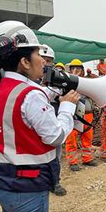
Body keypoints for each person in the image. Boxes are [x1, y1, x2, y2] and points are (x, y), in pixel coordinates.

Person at [0, 21, 80, 212]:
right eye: (38, 54)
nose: (43, 60)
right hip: (26, 186)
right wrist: (67, 108)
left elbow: (19, 109)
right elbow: (55, 136)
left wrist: (48, 94)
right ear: (24, 61)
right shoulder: (30, 95)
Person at [39, 45, 67, 197]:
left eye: (49, 60)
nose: (45, 63)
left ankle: (55, 182)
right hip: (37, 124)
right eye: (43, 59)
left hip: (54, 120)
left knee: (55, 155)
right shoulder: (31, 82)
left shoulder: (57, 80)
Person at [64, 59, 98, 171]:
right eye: (73, 68)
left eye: (78, 68)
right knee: (72, 137)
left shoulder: (89, 81)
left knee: (87, 137)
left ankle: (87, 158)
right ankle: (73, 161)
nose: (76, 71)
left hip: (87, 113)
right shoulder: (67, 82)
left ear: (83, 70)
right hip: (74, 114)